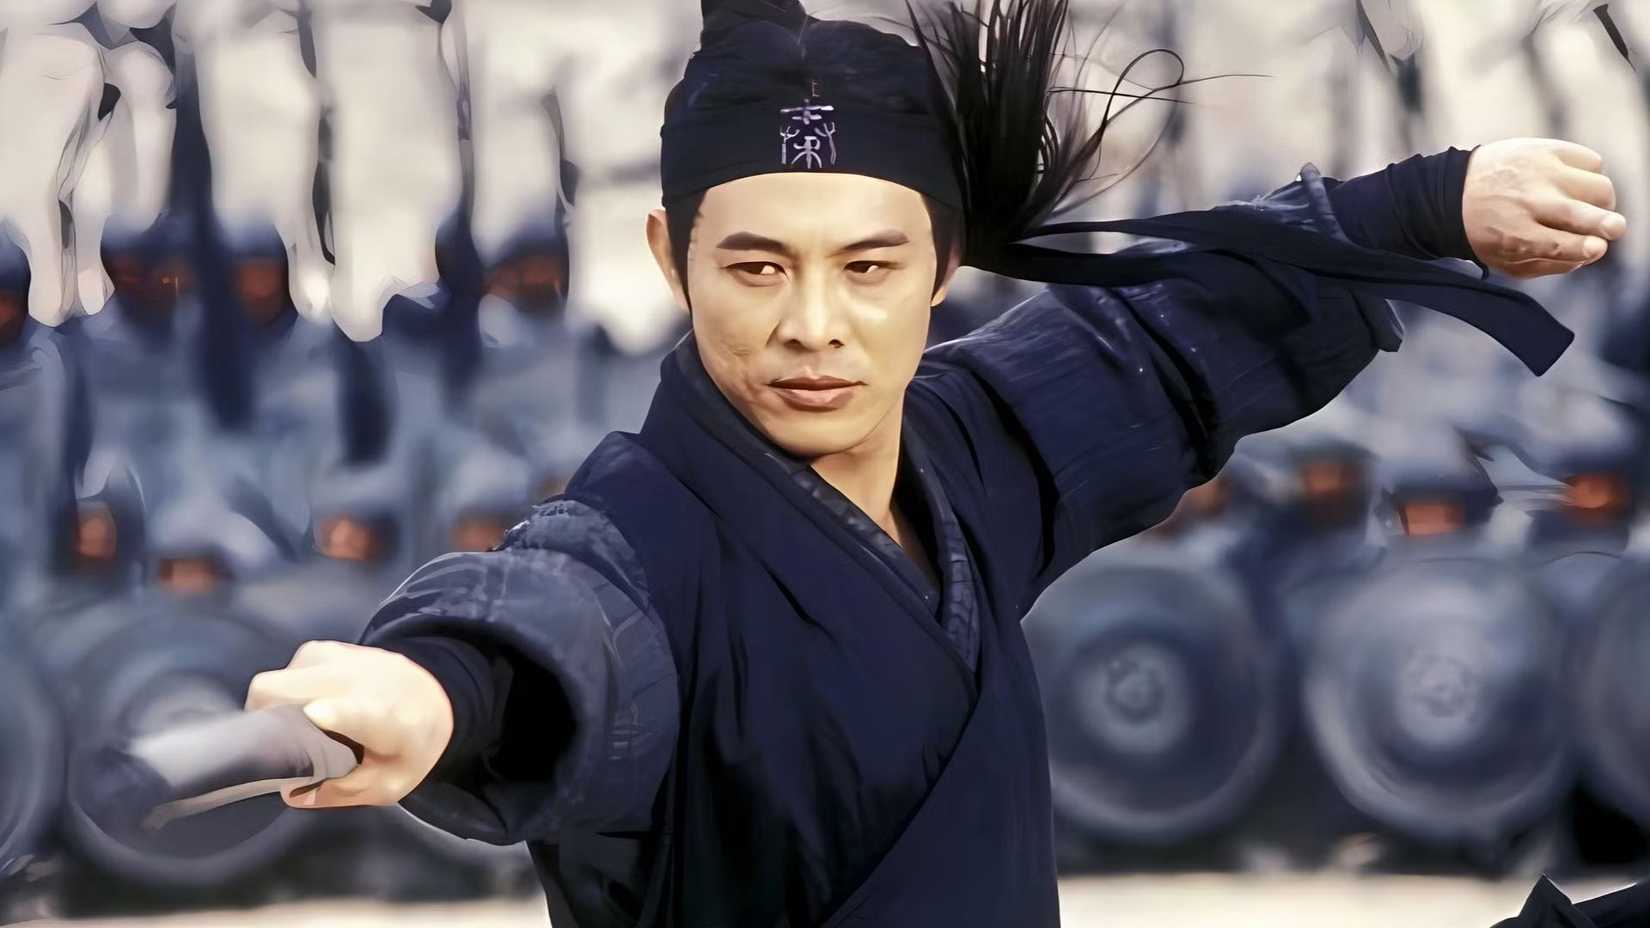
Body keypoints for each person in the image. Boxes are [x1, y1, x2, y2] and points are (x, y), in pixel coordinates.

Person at [243, 1, 1627, 925]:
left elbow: (1157, 343)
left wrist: (1424, 203)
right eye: (756, 266)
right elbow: (552, 627)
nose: (813, 324)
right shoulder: (641, 544)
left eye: (867, 267)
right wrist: (430, 682)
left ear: (940, 266)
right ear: (672, 260)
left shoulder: (963, 456)